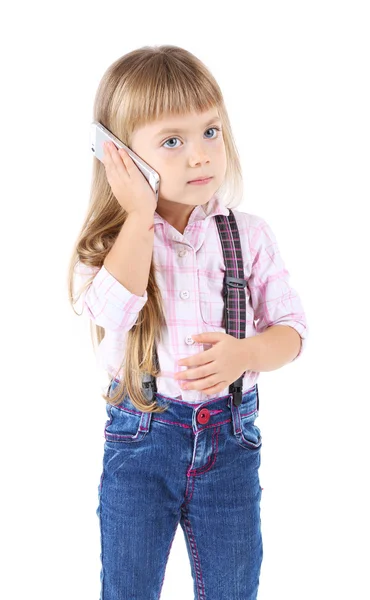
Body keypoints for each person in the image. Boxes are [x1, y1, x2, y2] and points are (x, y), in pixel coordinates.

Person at [68, 44, 308, 600]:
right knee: (127, 589)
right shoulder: (109, 245)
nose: (200, 155)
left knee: (232, 588)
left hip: (230, 441)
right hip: (141, 440)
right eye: (172, 141)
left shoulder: (247, 234)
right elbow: (112, 313)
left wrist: (246, 354)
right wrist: (138, 214)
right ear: (118, 156)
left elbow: (292, 332)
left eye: (210, 132)